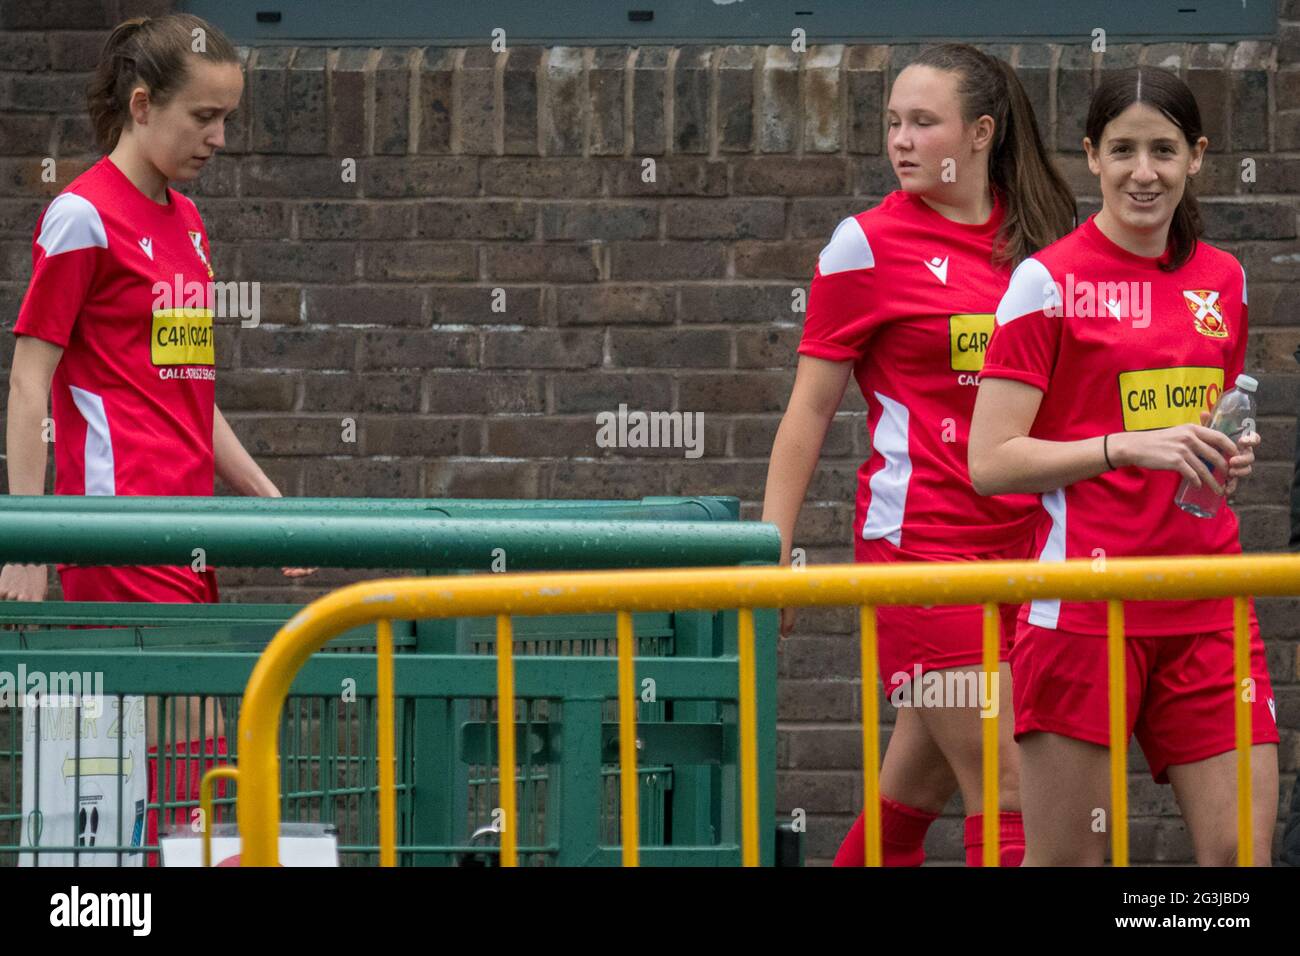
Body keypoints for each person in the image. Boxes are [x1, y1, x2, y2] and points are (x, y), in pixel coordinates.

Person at [0, 13, 308, 861]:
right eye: (202, 118)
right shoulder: (80, 218)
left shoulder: (191, 224)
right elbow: (30, 379)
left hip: (188, 527)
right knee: (196, 746)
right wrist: (27, 534)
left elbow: (186, 395)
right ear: (142, 105)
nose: (218, 138)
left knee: (177, 755)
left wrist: (268, 501)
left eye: (227, 119)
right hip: (118, 525)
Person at [761, 43, 1075, 866]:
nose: (901, 140)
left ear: (979, 132)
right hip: (924, 553)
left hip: (1034, 547)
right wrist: (772, 553)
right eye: (893, 122)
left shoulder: (1045, 240)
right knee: (1009, 787)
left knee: (914, 792)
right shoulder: (863, 245)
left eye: (922, 122)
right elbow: (809, 410)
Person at [969, 66, 1278, 865]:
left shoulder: (1226, 279)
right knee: (1069, 861)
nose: (1145, 172)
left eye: (1165, 150)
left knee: (1237, 858)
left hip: (1206, 596)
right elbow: (991, 462)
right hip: (1082, 605)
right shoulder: (1045, 280)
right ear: (1092, 158)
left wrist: (1222, 453)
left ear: (1197, 157)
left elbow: (1203, 422)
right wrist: (1123, 447)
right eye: (1124, 150)